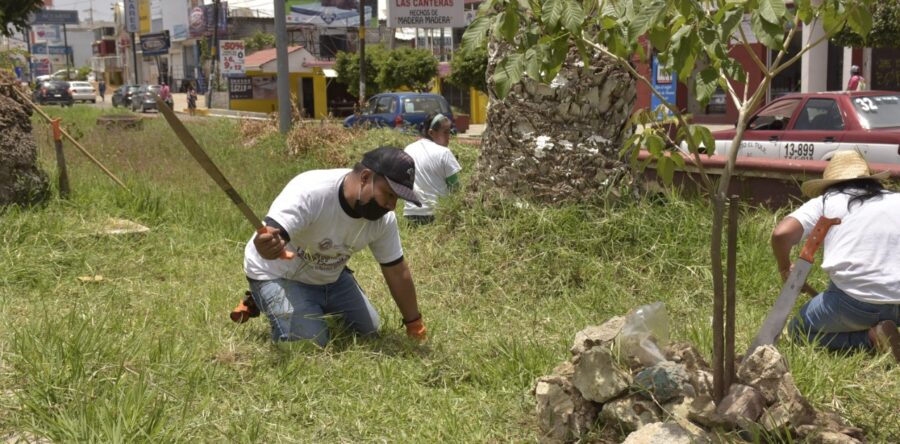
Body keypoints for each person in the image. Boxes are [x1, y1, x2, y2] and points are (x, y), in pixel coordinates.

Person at [244, 146, 427, 347]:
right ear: (365, 178)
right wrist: (267, 246)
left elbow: (397, 271)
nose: (392, 206)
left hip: (331, 276)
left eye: (397, 199)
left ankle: (311, 306)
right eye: (389, 194)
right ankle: (261, 295)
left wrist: (414, 324)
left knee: (368, 332)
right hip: (278, 275)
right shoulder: (312, 191)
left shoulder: (383, 220)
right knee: (310, 343)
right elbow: (274, 232)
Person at [771, 150, 900, 362]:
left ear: (830, 183)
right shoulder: (896, 199)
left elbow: (781, 233)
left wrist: (784, 267)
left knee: (798, 332)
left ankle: (871, 338)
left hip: (856, 304)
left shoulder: (827, 201)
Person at [402, 112, 462, 225]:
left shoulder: (408, 149)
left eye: (450, 132)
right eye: (445, 132)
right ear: (431, 132)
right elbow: (455, 188)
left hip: (410, 214)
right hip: (437, 215)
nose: (449, 137)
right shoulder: (444, 153)